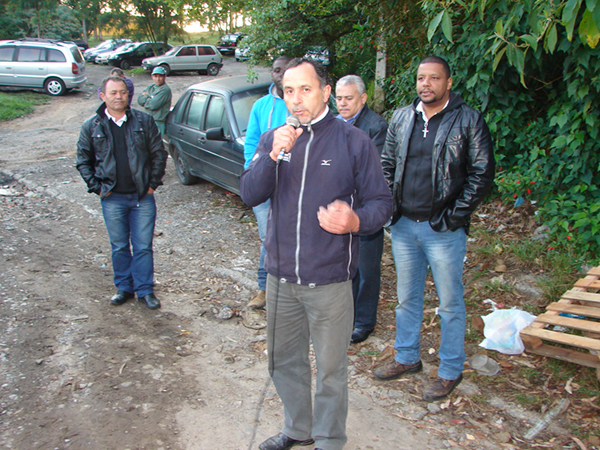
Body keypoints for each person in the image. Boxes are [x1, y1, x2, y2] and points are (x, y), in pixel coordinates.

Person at [240, 59, 392, 450]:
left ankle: (329, 440)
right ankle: (298, 429)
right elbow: (250, 193)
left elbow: (382, 204)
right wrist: (272, 155)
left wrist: (355, 220)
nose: (296, 99)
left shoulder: (353, 142)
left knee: (331, 371)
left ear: (326, 92)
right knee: (282, 361)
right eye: (289, 91)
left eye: (305, 89)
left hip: (329, 281)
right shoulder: (274, 138)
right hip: (281, 278)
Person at [375, 56, 495, 401]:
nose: (426, 84)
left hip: (442, 229)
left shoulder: (467, 119)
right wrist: (390, 208)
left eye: (434, 78)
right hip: (403, 226)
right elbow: (387, 164)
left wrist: (453, 216)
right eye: (421, 78)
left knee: (450, 303)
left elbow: (482, 173)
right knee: (406, 299)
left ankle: (450, 370)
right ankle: (407, 357)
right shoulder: (402, 117)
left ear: (449, 82)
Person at [77, 75, 168, 310]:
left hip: (141, 197)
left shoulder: (143, 121)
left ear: (128, 95)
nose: (119, 97)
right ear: (103, 96)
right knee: (119, 246)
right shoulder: (92, 126)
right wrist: (97, 187)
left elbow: (159, 154)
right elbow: (83, 161)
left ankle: (145, 290)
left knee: (143, 246)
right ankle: (124, 288)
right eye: (114, 93)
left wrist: (152, 184)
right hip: (112, 198)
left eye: (123, 92)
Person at [335, 75, 388, 344]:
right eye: (339, 98)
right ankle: (346, 316)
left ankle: (364, 322)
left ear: (363, 98)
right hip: (339, 209)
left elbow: (374, 170)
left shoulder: (375, 127)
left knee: (367, 269)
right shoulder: (332, 124)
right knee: (346, 267)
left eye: (349, 98)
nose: (343, 103)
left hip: (366, 210)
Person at [244, 56, 291, 309]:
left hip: (291, 184)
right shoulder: (261, 106)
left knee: (290, 235)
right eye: (276, 70)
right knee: (268, 237)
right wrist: (252, 172)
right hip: (264, 182)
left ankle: (287, 290)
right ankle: (264, 288)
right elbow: (251, 141)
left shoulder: (301, 105)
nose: (280, 74)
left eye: (285, 69)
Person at [137, 66, 172, 134]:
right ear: (152, 76)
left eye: (160, 76)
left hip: (157, 122)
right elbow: (139, 99)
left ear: (165, 77)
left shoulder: (165, 90)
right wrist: (150, 99)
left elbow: (154, 105)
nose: (158, 79)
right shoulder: (151, 87)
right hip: (147, 120)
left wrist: (147, 97)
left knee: (156, 140)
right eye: (155, 76)